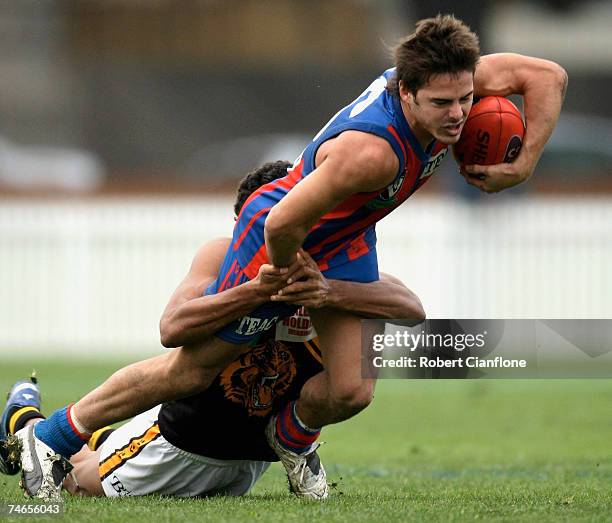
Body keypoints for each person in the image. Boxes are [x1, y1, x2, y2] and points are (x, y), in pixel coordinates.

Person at [11, 14, 568, 500]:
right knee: (194, 367)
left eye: (466, 99)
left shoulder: (454, 82)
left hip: (348, 233)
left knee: (351, 389)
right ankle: (53, 438)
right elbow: (281, 219)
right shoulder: (372, 155)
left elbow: (547, 76)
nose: (458, 116)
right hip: (280, 229)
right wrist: (284, 273)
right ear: (405, 93)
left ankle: (292, 438)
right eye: (441, 104)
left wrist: (524, 166)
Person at [3, 161, 425, 499]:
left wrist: (327, 292)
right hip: (183, 439)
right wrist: (254, 291)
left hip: (253, 457)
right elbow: (172, 328)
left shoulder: (330, 268)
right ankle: (27, 426)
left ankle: (296, 441)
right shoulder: (222, 255)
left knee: (357, 373)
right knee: (78, 483)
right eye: (257, 228)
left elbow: (410, 307)